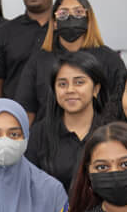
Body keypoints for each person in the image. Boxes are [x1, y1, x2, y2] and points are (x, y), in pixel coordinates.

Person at [14, 0, 125, 120]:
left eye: (78, 12)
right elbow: (26, 110)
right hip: (47, 132)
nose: (71, 18)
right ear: (54, 22)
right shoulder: (39, 60)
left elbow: (121, 107)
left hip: (98, 132)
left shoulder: (110, 60)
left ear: (88, 19)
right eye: (63, 14)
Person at [25, 52, 107, 192]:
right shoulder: (38, 134)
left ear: (96, 89)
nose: (70, 90)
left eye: (79, 82)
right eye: (62, 84)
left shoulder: (111, 132)